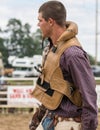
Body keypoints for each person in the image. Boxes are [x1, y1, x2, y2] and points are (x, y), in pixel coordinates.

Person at [29, 1, 98, 130]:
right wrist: (40, 115)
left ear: (50, 21)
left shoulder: (72, 54)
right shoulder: (53, 49)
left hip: (68, 123)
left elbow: (89, 95)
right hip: (50, 120)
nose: (38, 24)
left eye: (40, 20)